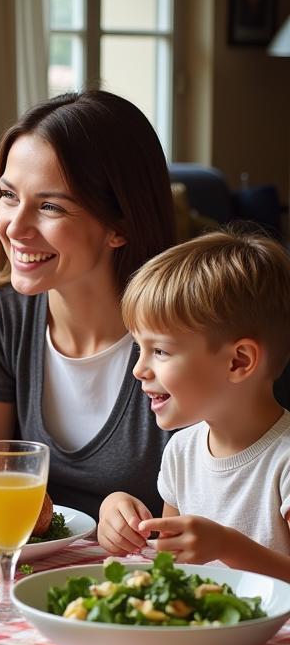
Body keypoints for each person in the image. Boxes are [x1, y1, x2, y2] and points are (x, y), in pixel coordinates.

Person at [0, 90, 176, 519]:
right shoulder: (2, 312)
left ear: (119, 226)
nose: (15, 227)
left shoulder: (188, 332)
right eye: (9, 195)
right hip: (31, 562)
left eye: (50, 206)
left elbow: (225, 497)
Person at [97, 230, 290, 579]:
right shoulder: (181, 451)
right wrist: (119, 515)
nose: (139, 369)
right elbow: (174, 564)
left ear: (238, 362)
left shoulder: (284, 461)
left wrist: (227, 546)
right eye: (140, 348)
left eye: (160, 351)